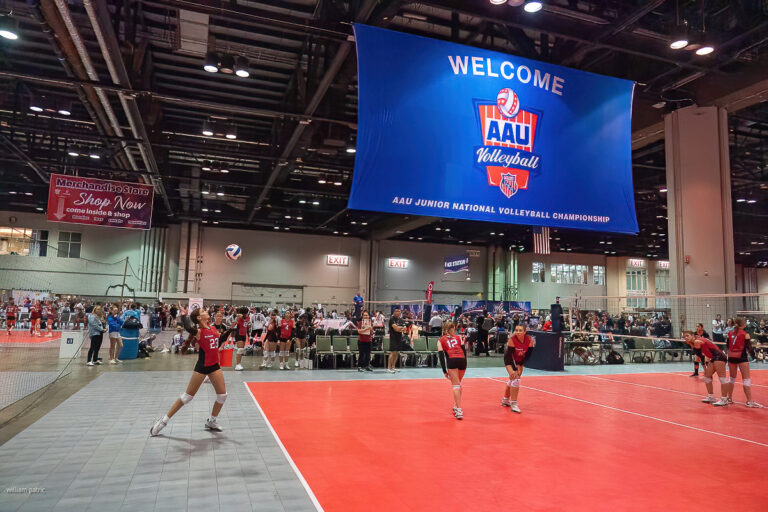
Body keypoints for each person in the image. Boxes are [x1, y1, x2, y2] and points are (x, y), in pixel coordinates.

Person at [150, 304, 228, 436]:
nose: (206, 311)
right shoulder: (199, 332)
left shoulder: (213, 328)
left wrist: (231, 330)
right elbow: (187, 327)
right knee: (187, 397)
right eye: (203, 311)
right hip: (202, 367)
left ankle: (212, 421)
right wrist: (184, 315)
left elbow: (220, 340)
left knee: (222, 395)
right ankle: (163, 421)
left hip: (215, 366)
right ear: (199, 317)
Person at [682, 331, 730, 406]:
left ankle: (724, 399)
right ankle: (711, 397)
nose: (685, 338)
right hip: (713, 357)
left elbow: (701, 355)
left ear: (692, 335)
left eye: (687, 336)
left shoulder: (697, 341)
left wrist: (704, 366)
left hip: (719, 356)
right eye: (684, 336)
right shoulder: (693, 342)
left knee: (722, 379)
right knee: (707, 377)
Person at [726, 318, 761, 408]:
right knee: (746, 379)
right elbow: (749, 348)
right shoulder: (745, 334)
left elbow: (727, 346)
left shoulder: (730, 333)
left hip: (731, 357)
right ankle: (749, 401)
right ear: (743, 325)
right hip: (741, 357)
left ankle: (729, 398)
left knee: (731, 378)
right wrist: (754, 357)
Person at [501, 325, 536, 413]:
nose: (518, 332)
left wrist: (521, 364)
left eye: (520, 330)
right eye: (516, 330)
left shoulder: (529, 340)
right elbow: (509, 357)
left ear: (524, 332)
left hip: (520, 360)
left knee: (513, 378)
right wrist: (515, 369)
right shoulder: (511, 340)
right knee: (516, 378)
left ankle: (505, 399)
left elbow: (528, 355)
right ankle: (514, 404)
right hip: (509, 360)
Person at [437, 321, 467, 420]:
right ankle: (456, 405)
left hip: (452, 360)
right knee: (458, 383)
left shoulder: (441, 340)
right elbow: (464, 351)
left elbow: (441, 357)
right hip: (462, 360)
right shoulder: (459, 337)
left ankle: (459, 409)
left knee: (455, 385)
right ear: (453, 328)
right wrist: (465, 364)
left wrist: (444, 371)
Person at [387, 308, 407, 373]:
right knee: (392, 352)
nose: (398, 312)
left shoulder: (400, 319)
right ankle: (389, 368)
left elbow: (405, 328)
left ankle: (393, 367)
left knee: (396, 353)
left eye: (399, 311)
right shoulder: (392, 319)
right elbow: (396, 329)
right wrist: (400, 328)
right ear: (394, 312)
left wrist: (400, 328)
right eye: (396, 311)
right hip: (393, 338)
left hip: (399, 338)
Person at [234, 307, 249, 371]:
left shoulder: (248, 317)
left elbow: (247, 325)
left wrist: (249, 335)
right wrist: (240, 315)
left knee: (241, 350)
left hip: (244, 334)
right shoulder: (239, 317)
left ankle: (239, 363)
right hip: (239, 333)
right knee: (239, 349)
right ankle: (237, 364)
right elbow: (237, 315)